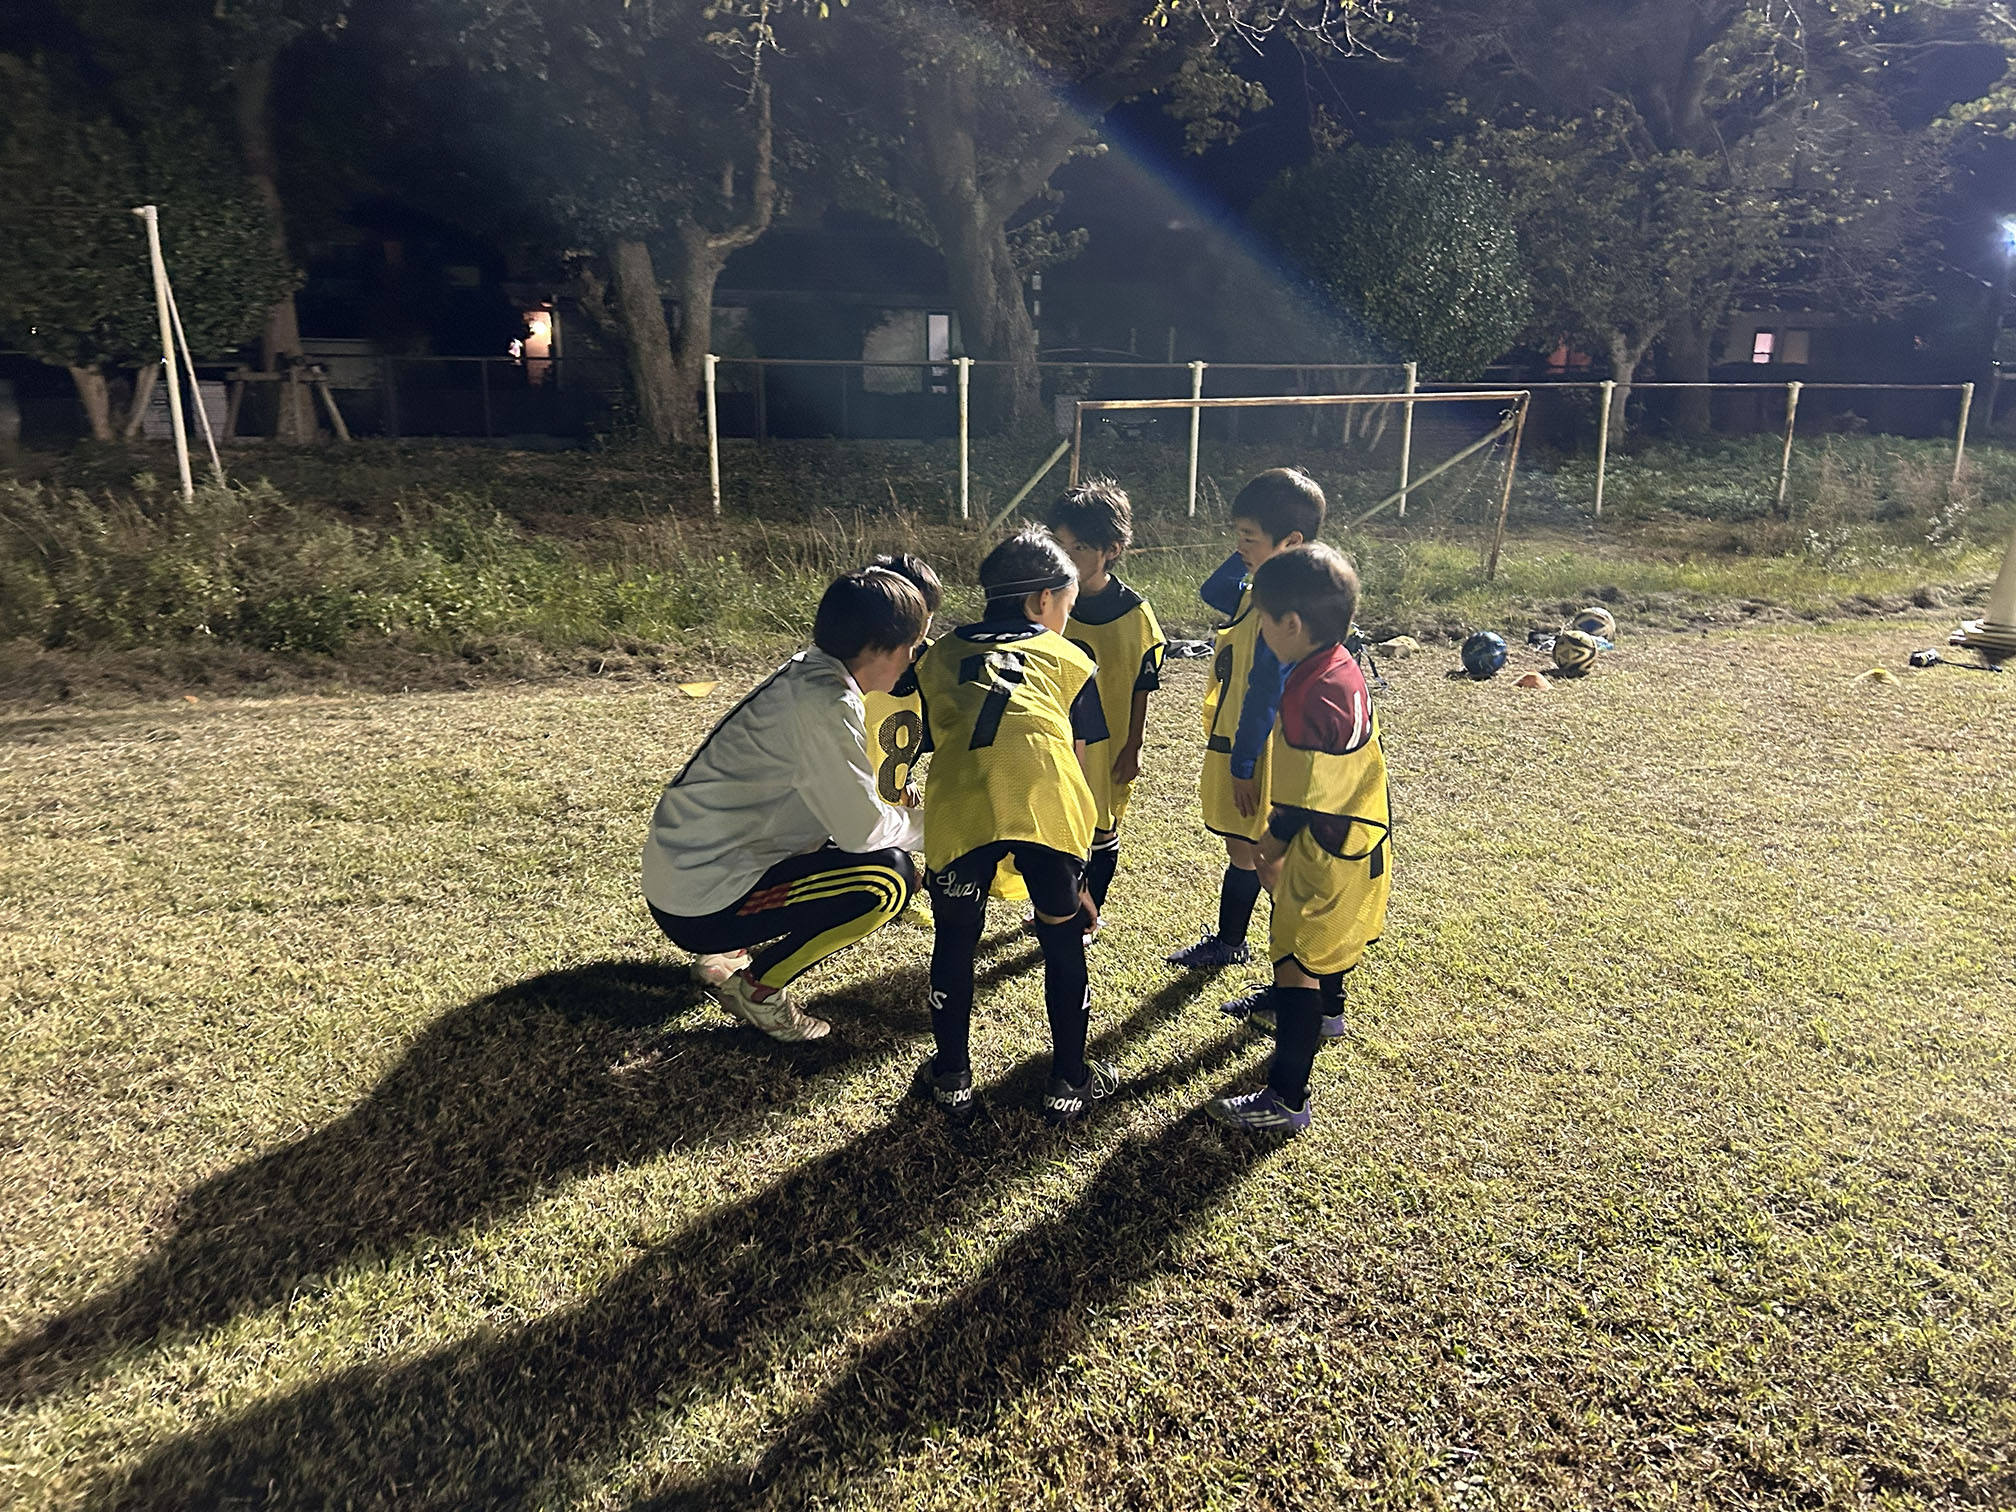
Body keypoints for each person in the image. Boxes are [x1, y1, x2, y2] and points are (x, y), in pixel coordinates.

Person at [641, 567, 929, 1042]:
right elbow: (864, 831)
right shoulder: (825, 704)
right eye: (912, 647)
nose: (912, 660)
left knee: (847, 851)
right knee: (887, 878)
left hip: (687, 875)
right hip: (700, 902)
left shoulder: (809, 672)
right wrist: (951, 825)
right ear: (880, 648)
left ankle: (727, 953)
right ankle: (757, 991)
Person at [913, 526, 1111, 1124]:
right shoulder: (1071, 659)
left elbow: (925, 736)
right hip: (1045, 808)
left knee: (954, 938)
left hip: (961, 807)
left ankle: (951, 1078)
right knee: (1060, 935)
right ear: (1041, 601)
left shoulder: (940, 654)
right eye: (1067, 608)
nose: (1066, 622)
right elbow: (1076, 755)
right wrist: (1084, 861)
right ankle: (1068, 1082)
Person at [1206, 544, 1391, 1132]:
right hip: (1361, 835)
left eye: (1262, 617)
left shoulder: (1307, 691)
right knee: (1321, 951)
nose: (1259, 628)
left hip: (1324, 847)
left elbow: (1302, 791)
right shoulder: (1340, 664)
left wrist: (1271, 844)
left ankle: (1285, 1099)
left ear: (1290, 623)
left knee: (1292, 965)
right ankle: (1330, 1015)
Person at [1166, 467, 1327, 970]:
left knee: (1270, 858)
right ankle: (1232, 942)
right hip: (1237, 742)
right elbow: (1213, 591)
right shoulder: (1257, 588)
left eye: (1248, 537)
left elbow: (1265, 696)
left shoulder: (1285, 610)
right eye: (1236, 535)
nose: (1239, 545)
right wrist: (1253, 552)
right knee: (1242, 848)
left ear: (1292, 541)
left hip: (1262, 753)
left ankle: (1297, 969)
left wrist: (1243, 766)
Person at [1047, 479, 1166, 922]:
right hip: (1056, 742)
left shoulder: (1135, 615)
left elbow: (1141, 685)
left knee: (1101, 828)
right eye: (1059, 545)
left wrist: (1133, 745)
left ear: (1111, 549)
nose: (1066, 557)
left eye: (1078, 548)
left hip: (1108, 744)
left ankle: (1089, 912)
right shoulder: (1048, 604)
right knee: (1059, 827)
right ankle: (1060, 901)